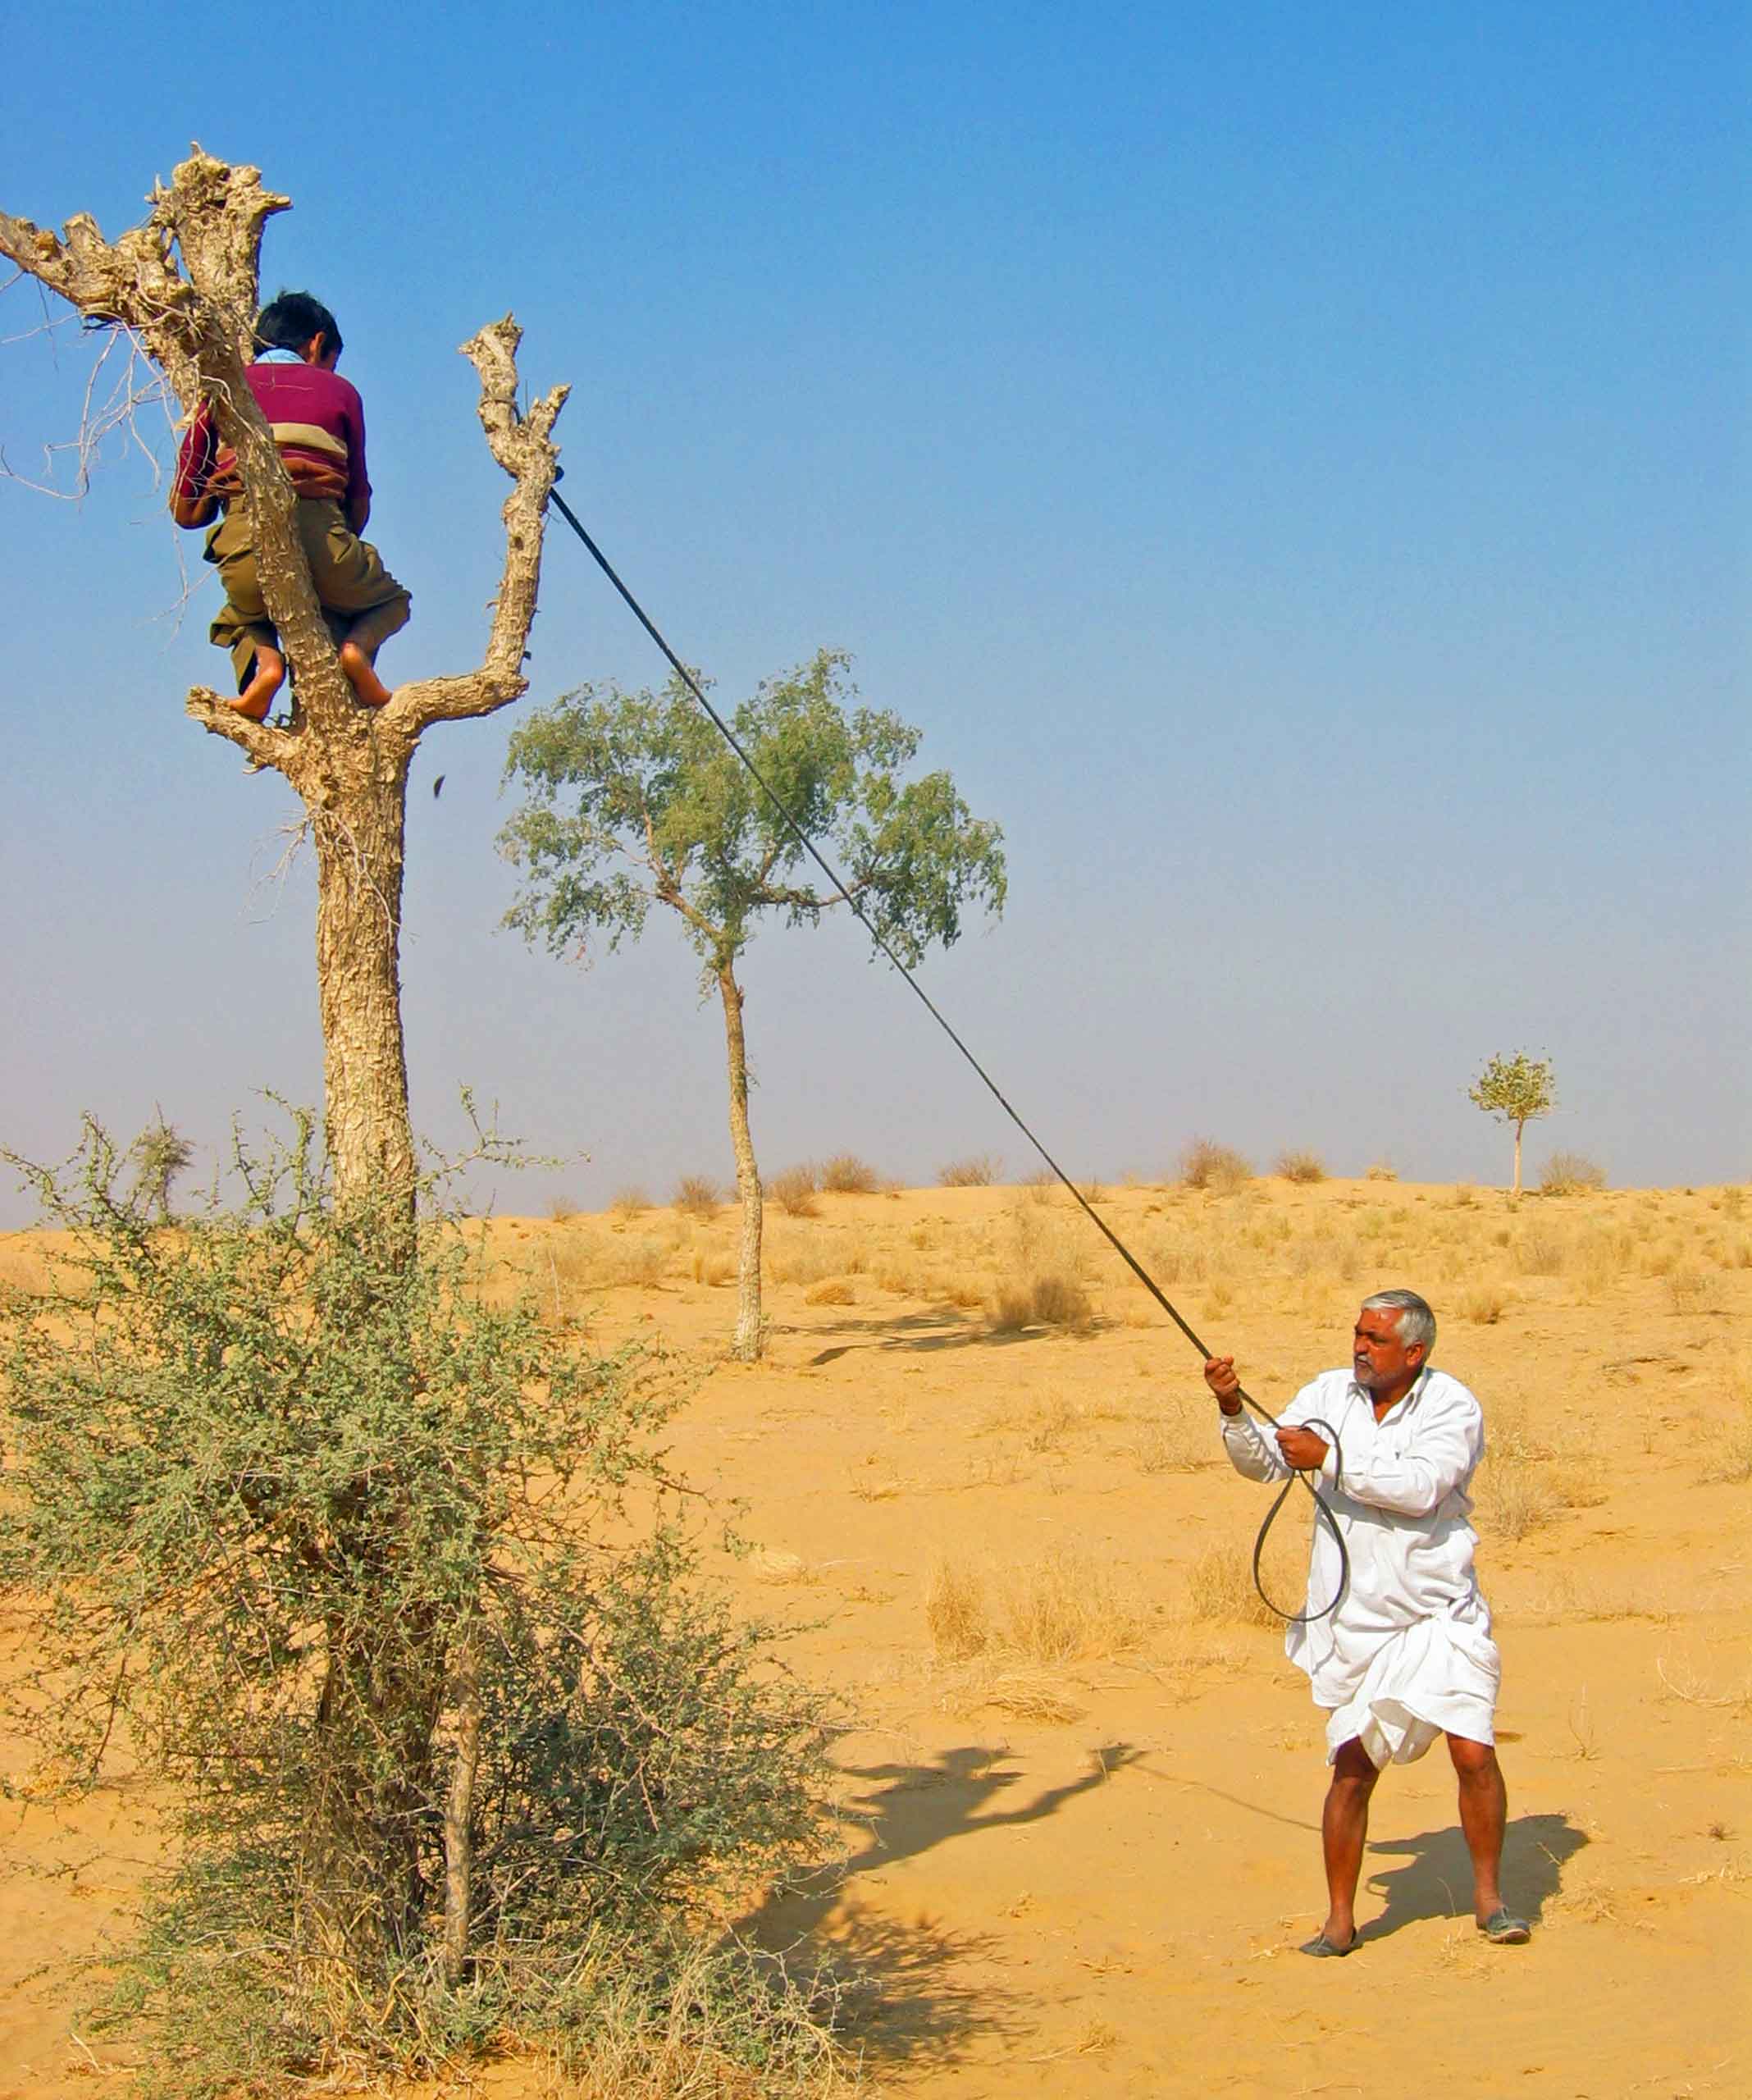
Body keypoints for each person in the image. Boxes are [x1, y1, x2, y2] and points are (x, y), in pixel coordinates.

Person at [1203, 1289, 1531, 1956]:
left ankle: (1491, 1900)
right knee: (1352, 1768)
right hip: (1355, 1619)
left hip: (1440, 1610)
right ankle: (1339, 1922)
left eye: (1375, 1339)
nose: (1359, 1347)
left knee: (1473, 1752)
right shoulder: (1328, 1394)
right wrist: (1233, 1407)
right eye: (1357, 1333)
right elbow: (1264, 1463)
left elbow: (1421, 1488)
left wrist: (1329, 1460)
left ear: (1414, 1352)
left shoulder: (1451, 1406)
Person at [171, 291, 412, 723]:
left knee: (237, 615)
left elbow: (185, 513)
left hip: (248, 552)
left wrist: (225, 485)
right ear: (317, 344)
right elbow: (358, 508)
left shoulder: (221, 392)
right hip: (328, 544)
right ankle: (355, 651)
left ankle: (267, 666)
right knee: (392, 601)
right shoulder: (342, 393)